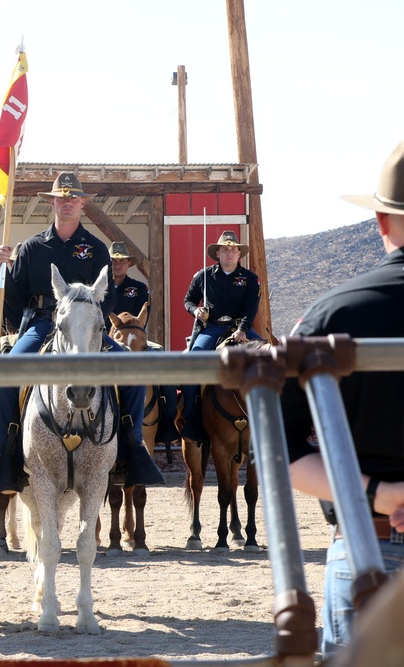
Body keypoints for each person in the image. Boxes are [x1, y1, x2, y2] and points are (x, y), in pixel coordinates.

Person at [279, 140, 404, 658]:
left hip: (369, 544)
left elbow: (281, 452)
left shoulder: (333, 315)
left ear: (380, 221)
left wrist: (379, 492)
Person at [0, 172, 164, 498]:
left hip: (87, 329)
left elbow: (108, 295)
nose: (67, 203)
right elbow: (13, 297)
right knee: (6, 371)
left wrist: (93, 319)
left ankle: (131, 449)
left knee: (133, 370)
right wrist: (3, 269)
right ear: (53, 202)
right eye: (61, 198)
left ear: (82, 203)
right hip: (44, 323)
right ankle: (8, 457)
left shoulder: (97, 249)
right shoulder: (30, 247)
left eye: (73, 198)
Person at [179, 230, 262, 443]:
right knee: (192, 364)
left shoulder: (250, 279)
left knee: (270, 357)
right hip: (212, 328)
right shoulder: (203, 276)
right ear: (217, 253)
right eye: (225, 249)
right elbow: (188, 300)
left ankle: (276, 421)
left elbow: (251, 308)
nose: (229, 253)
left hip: (241, 329)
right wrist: (195, 311)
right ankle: (191, 420)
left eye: (233, 249)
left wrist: (243, 329)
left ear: (238, 254)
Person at [109, 241, 180, 446]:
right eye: (114, 261)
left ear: (128, 264)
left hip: (136, 336)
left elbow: (142, 318)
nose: (118, 264)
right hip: (106, 337)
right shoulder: (100, 288)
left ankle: (167, 422)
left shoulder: (139, 288)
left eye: (122, 261)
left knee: (162, 359)